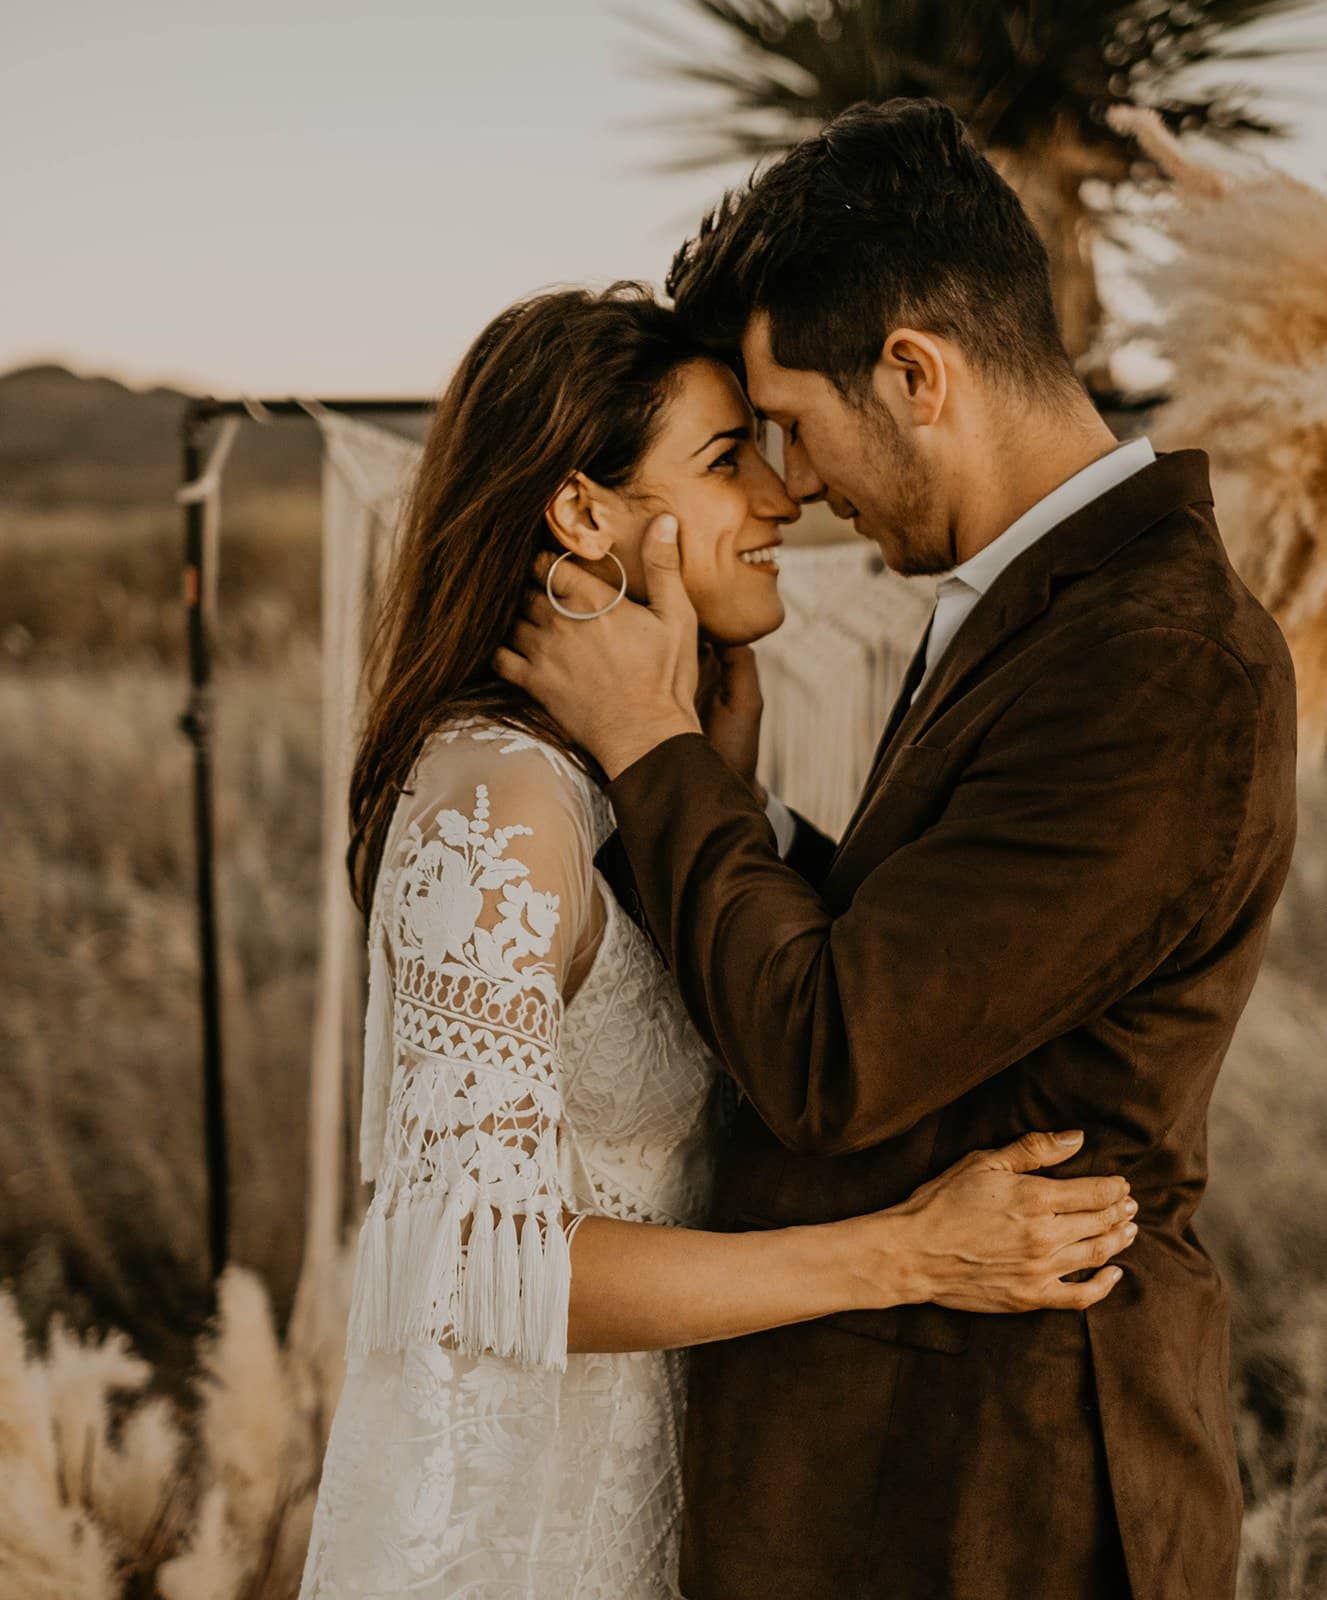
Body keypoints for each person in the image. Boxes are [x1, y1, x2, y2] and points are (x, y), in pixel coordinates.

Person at [497, 102, 1299, 1600]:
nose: (793, 486)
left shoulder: (1158, 658)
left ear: (916, 374)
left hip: (1010, 1490)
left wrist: (654, 747)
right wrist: (736, 804)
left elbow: (837, 1054)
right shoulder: (1049, 605)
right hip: (920, 1457)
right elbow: (937, 938)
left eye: (792, 424)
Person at [298, 284, 1137, 1600]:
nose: (783, 497)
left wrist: (707, 787)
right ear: (584, 514)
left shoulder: (647, 779)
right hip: (525, 1531)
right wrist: (909, 1252)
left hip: (675, 1496)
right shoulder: (496, 804)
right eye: (727, 457)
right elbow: (473, 1263)